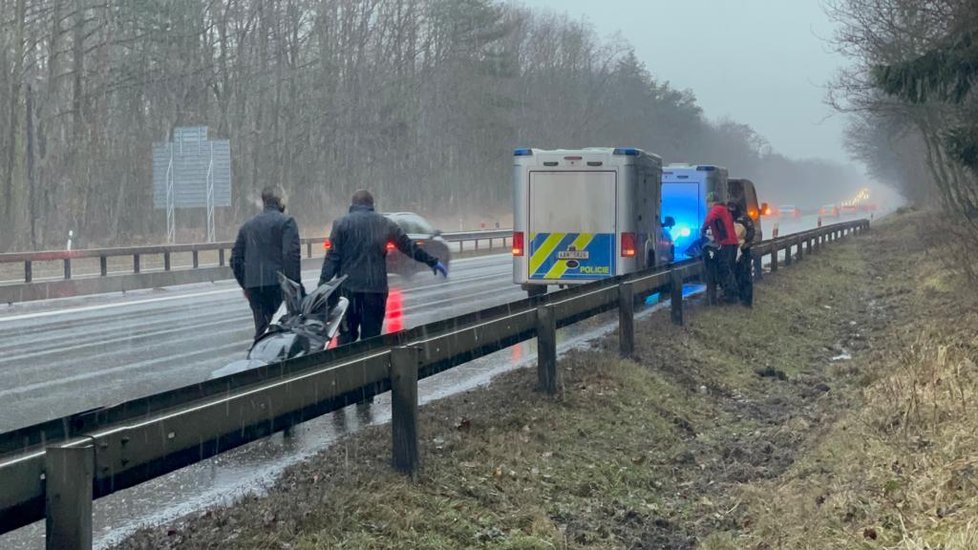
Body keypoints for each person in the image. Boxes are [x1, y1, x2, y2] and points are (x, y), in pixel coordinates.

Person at [318, 190, 447, 345]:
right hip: (375, 291)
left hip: (349, 291)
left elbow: (332, 258)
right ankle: (369, 366)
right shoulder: (384, 223)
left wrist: (322, 286)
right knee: (371, 339)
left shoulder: (341, 224)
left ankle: (346, 366)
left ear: (352, 205)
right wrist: (431, 261)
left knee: (347, 336)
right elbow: (408, 246)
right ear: (373, 205)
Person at [231, 186, 302, 340]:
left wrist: (246, 284)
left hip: (255, 287)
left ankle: (259, 359)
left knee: (262, 329)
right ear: (281, 201)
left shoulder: (247, 226)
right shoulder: (287, 222)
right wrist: (294, 285)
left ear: (263, 201)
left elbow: (235, 260)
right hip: (279, 285)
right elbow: (291, 256)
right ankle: (281, 361)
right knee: (284, 330)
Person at [701, 194, 739, 303]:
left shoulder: (717, 209)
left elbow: (709, 219)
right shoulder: (725, 210)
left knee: (724, 269)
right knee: (729, 268)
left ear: (713, 202)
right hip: (733, 243)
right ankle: (730, 294)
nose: (708, 206)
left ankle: (731, 294)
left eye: (708, 203)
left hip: (725, 243)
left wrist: (703, 229)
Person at [730, 201, 756, 307]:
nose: (731, 211)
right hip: (734, 250)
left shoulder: (744, 219)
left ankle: (747, 300)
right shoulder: (730, 218)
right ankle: (739, 297)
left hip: (743, 250)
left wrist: (745, 241)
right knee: (736, 274)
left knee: (745, 275)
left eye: (733, 208)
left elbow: (751, 232)